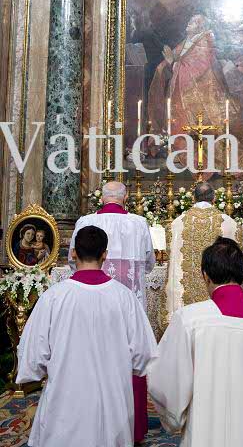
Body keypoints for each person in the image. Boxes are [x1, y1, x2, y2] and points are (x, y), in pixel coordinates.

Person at [148, 237, 243, 447]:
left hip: (208, 433)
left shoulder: (190, 319)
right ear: (242, 274)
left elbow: (166, 381)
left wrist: (174, 420)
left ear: (205, 275)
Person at [17, 226, 158, 447]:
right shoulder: (125, 297)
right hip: (112, 407)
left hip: (64, 404)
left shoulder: (53, 297)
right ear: (105, 254)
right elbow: (143, 356)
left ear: (73, 253)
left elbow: (33, 357)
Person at [69, 181, 156, 445]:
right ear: (125, 198)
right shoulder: (139, 223)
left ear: (102, 198)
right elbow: (149, 262)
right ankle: (132, 428)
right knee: (131, 354)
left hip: (87, 302)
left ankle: (85, 422)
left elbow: (73, 260)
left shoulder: (85, 222)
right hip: (128, 303)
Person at [147, 13, 243, 174]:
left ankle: (208, 160)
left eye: (193, 22)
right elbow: (173, 60)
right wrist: (165, 66)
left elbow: (198, 68)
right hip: (182, 95)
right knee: (180, 128)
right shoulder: (187, 41)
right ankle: (183, 155)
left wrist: (173, 63)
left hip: (200, 98)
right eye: (190, 20)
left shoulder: (205, 41)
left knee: (205, 132)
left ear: (201, 26)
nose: (189, 23)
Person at [161, 181, 243, 328]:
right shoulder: (230, 224)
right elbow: (239, 258)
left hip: (184, 302)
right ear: (214, 199)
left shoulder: (176, 225)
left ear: (194, 198)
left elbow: (170, 255)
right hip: (220, 302)